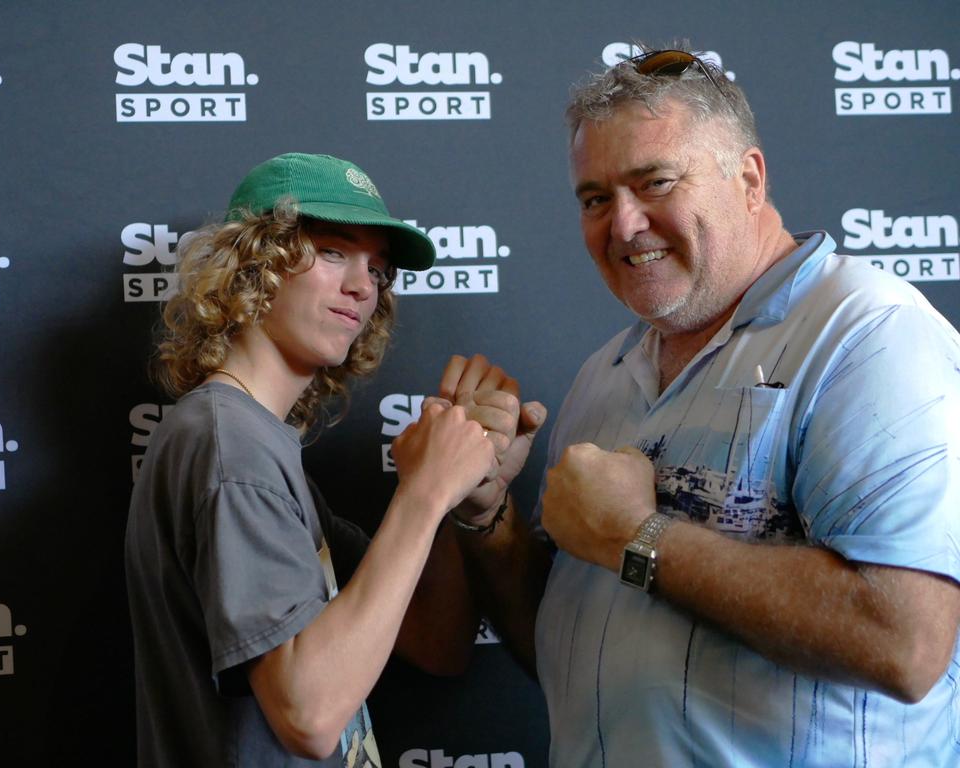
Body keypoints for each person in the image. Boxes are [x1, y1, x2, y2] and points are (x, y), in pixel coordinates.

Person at [445, 46, 960, 765]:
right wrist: (489, 515)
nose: (623, 225)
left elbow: (904, 641)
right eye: (595, 199)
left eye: (654, 182)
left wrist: (638, 535)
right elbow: (570, 650)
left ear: (748, 180)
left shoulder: (868, 334)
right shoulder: (607, 371)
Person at [124, 152, 522, 767]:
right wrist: (423, 492)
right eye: (334, 252)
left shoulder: (257, 442)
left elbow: (437, 640)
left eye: (378, 269)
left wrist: (464, 496)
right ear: (251, 264)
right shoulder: (228, 443)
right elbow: (307, 717)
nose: (364, 287)